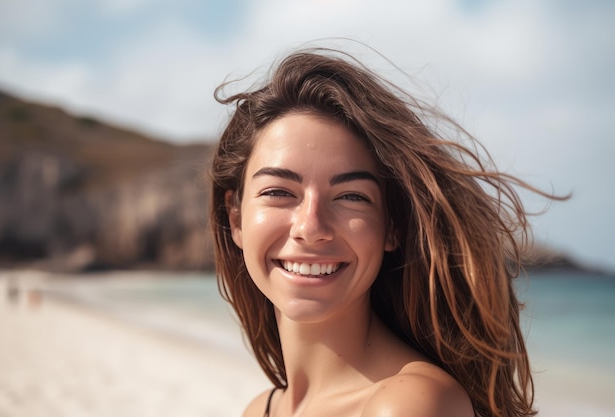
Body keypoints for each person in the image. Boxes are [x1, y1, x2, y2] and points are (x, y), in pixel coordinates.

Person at [210, 47, 551, 417]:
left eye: (351, 196)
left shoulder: (408, 406)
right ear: (236, 217)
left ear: (393, 226)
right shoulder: (261, 409)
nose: (311, 227)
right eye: (278, 192)